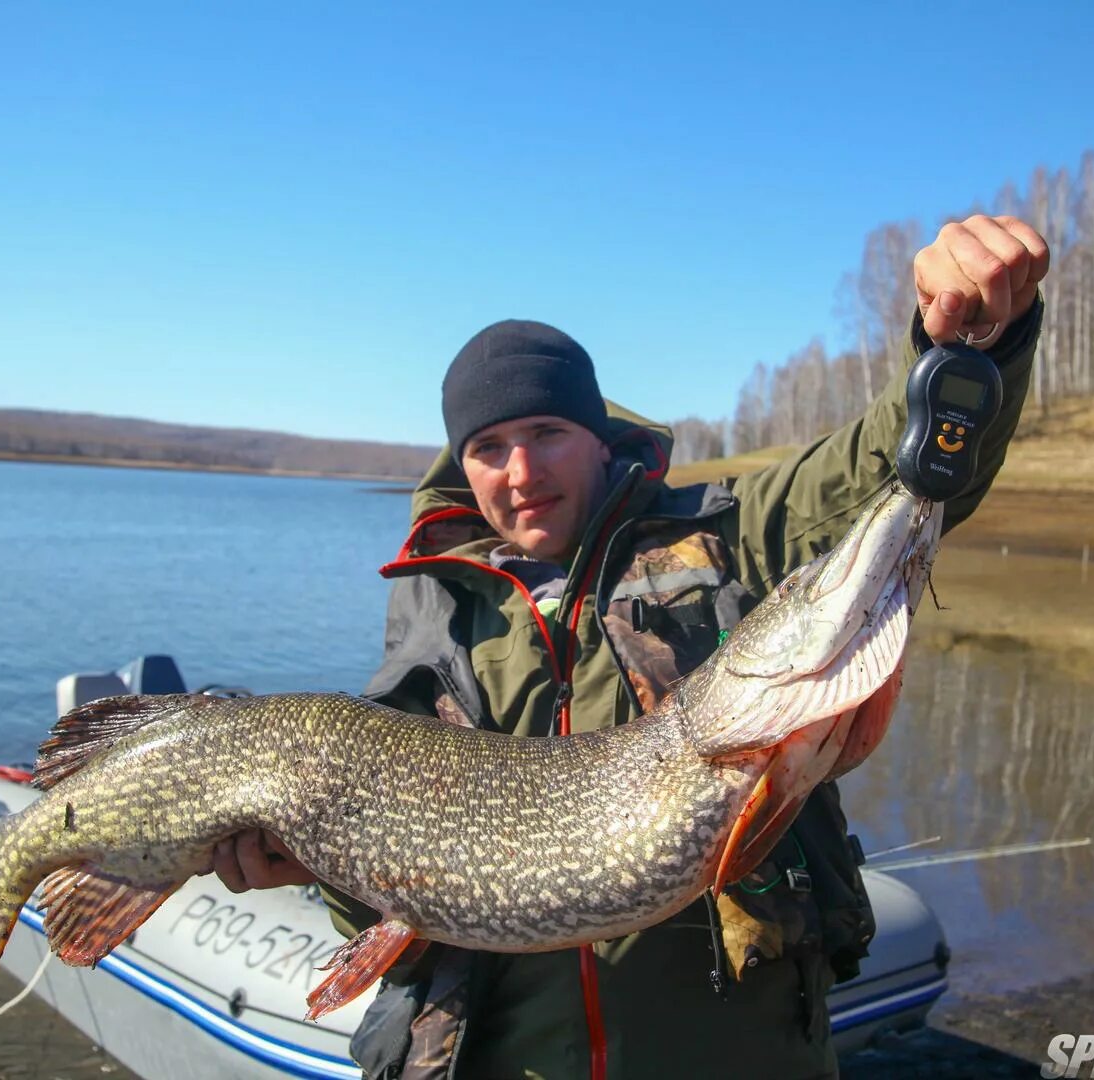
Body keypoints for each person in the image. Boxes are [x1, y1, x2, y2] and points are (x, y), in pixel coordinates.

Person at [211, 214, 1050, 1079]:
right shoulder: (434, 610)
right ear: (464, 467)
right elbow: (395, 900)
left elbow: (897, 474)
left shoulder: (729, 538)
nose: (522, 472)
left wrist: (974, 342)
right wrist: (324, 872)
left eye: (546, 434)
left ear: (598, 436)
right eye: (489, 447)